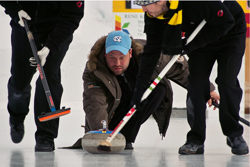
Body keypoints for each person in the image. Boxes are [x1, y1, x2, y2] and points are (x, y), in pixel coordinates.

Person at [133, 0, 249, 155]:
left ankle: (234, 134)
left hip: (230, 31)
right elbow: (151, 51)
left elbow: (226, 21)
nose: (143, 9)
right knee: (196, 84)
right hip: (198, 33)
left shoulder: (194, 2)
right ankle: (195, 139)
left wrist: (188, 46)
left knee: (226, 81)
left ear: (160, 0)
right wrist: (140, 88)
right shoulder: (153, 15)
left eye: (146, 4)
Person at [82, 30, 219, 150]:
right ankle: (113, 133)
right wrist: (99, 133)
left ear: (130, 53)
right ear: (105, 54)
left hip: (137, 100)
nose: (117, 63)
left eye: (121, 58)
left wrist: (207, 89)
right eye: (112, 58)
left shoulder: (151, 54)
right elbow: (95, 103)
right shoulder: (95, 69)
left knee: (158, 89)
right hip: (111, 114)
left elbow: (182, 71)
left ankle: (127, 137)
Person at [0, 2, 84, 152]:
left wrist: (50, 47)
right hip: (24, 26)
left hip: (57, 31)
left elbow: (72, 16)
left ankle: (45, 136)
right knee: (19, 83)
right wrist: (14, 9)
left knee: (49, 76)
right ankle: (17, 116)